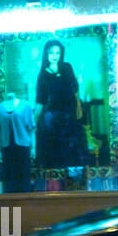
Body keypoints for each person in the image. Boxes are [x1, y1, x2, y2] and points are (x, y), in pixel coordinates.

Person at [34, 39, 83, 169]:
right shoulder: (43, 75)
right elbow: (41, 99)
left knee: (72, 147)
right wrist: (34, 118)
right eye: (51, 53)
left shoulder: (67, 67)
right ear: (46, 54)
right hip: (53, 117)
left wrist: (79, 106)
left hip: (70, 114)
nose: (55, 56)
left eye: (57, 53)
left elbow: (75, 88)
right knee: (56, 150)